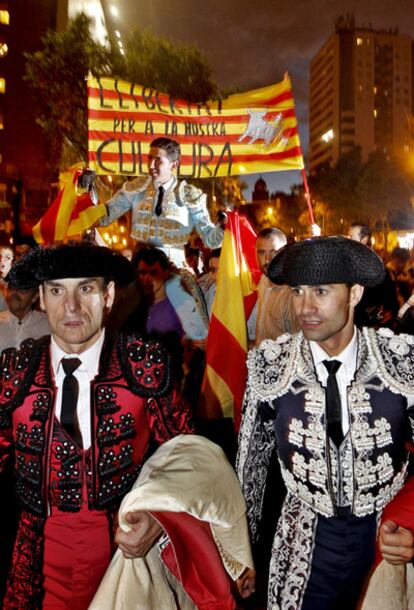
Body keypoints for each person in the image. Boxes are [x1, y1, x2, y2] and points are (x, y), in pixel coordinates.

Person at [0, 241, 194, 610]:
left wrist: (158, 518)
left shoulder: (144, 365)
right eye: (57, 290)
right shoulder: (14, 371)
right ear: (41, 297)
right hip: (34, 570)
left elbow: (189, 459)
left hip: (125, 564)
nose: (70, 306)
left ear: (108, 296)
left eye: (85, 289)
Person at [237, 236, 414, 610]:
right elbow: (249, 474)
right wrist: (241, 556)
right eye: (298, 291)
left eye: (320, 291)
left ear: (354, 294)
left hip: (388, 542)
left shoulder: (402, 362)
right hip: (302, 543)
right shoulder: (270, 366)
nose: (305, 307)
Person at [98, 137, 224, 268]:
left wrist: (224, 226)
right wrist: (89, 190)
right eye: (149, 158)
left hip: (174, 271)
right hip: (141, 268)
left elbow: (210, 241)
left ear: (173, 164)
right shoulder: (136, 188)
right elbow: (103, 218)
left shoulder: (188, 195)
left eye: (158, 160)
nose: (151, 165)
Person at [248, 227, 298, 345]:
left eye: (274, 252)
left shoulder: (293, 292)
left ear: (285, 253)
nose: (267, 259)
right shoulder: (263, 281)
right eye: (261, 252)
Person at [348, 223, 399, 328]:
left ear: (364, 240)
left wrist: (389, 311)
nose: (348, 240)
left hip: (369, 328)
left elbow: (390, 297)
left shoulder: (377, 267)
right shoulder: (348, 264)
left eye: (351, 237)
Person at [0, 279, 51, 351]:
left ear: (35, 297)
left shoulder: (49, 324)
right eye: (11, 288)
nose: (14, 292)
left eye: (22, 290)